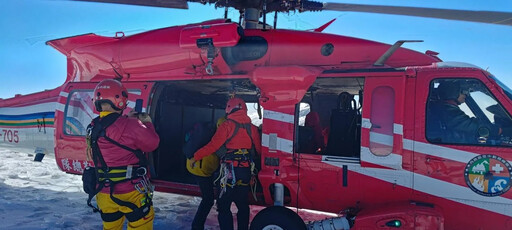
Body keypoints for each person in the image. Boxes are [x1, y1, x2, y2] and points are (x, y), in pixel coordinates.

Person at [86, 79, 160, 230]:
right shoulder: (132, 125)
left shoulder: (92, 127)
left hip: (104, 192)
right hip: (131, 192)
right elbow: (153, 144)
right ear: (121, 100)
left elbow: (90, 154)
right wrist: (147, 123)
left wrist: (129, 119)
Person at [190, 97, 262, 230]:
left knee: (224, 206)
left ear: (229, 109)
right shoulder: (252, 128)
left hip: (229, 172)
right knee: (242, 205)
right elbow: (258, 150)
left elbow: (213, 146)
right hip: (245, 172)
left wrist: (196, 157)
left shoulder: (226, 125)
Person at [186, 117, 225, 230]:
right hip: (201, 168)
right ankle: (197, 226)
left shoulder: (212, 131)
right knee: (208, 199)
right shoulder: (217, 137)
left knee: (209, 197)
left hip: (197, 165)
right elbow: (221, 152)